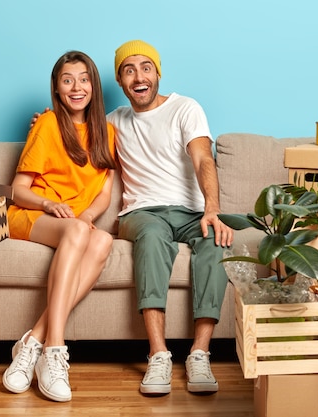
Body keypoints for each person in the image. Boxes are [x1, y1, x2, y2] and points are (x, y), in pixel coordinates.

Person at [109, 40, 233, 395]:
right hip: (141, 212)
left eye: (146, 67)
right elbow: (74, 141)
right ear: (120, 81)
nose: (138, 76)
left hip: (192, 211)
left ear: (158, 73)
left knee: (215, 239)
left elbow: (202, 159)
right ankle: (159, 354)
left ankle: (199, 353)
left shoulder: (185, 108)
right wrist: (47, 121)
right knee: (151, 237)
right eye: (128, 70)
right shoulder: (113, 121)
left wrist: (212, 209)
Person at [2, 50, 116, 402]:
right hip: (34, 216)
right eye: (67, 80)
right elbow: (18, 190)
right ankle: (54, 349)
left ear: (94, 86)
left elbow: (104, 194)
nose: (76, 87)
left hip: (74, 223)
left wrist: (85, 217)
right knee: (83, 234)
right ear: (56, 87)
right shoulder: (47, 124)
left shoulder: (107, 132)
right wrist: (48, 203)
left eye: (83, 79)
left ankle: (31, 341)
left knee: (103, 241)